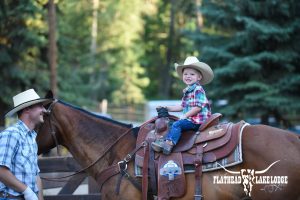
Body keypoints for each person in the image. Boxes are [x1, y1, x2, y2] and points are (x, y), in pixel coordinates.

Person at [152, 56, 214, 155]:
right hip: (191, 119)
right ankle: (165, 140)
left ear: (199, 77)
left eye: (192, 74)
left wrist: (185, 116)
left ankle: (169, 144)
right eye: (185, 74)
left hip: (199, 121)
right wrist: (167, 108)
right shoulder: (188, 91)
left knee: (177, 124)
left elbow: (198, 108)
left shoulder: (198, 89)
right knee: (171, 124)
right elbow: (182, 107)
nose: (188, 76)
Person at [0, 89, 52, 200]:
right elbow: (1, 171)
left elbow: (36, 175)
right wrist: (27, 191)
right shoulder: (11, 134)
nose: (44, 110)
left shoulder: (32, 137)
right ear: (27, 109)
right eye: (40, 106)